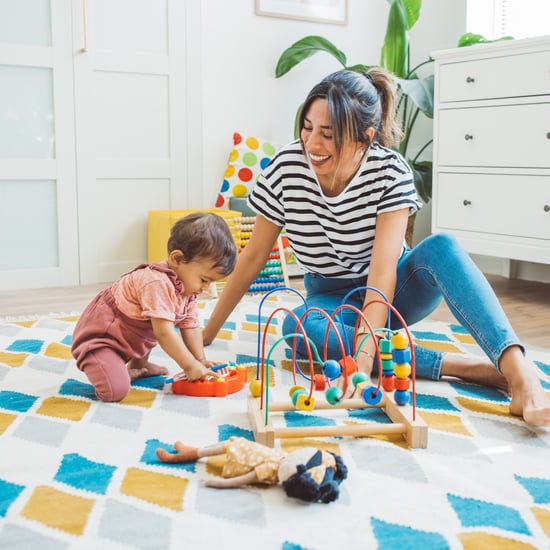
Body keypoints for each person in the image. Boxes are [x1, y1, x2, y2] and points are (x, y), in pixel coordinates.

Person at [203, 68, 550, 427]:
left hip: (394, 287)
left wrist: (362, 363)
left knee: (443, 246)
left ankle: (519, 371)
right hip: (330, 295)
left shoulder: (390, 172)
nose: (312, 144)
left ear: (364, 138)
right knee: (299, 328)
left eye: (329, 134)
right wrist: (208, 333)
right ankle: (462, 367)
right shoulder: (285, 169)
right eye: (307, 127)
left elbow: (382, 274)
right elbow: (255, 256)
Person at [72, 212, 237, 402]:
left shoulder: (187, 289)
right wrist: (190, 365)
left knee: (149, 325)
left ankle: (138, 365)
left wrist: (200, 360)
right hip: (101, 340)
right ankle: (104, 367)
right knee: (115, 391)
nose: (206, 288)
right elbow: (165, 333)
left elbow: (190, 326)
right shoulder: (155, 282)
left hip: (131, 339)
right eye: (204, 280)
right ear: (177, 259)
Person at [156, 436, 347, 503]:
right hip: (242, 446)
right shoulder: (282, 458)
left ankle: (179, 457)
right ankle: (194, 451)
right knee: (222, 444)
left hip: (240, 455)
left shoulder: (273, 469)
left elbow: (246, 478)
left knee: (223, 447)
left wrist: (218, 483)